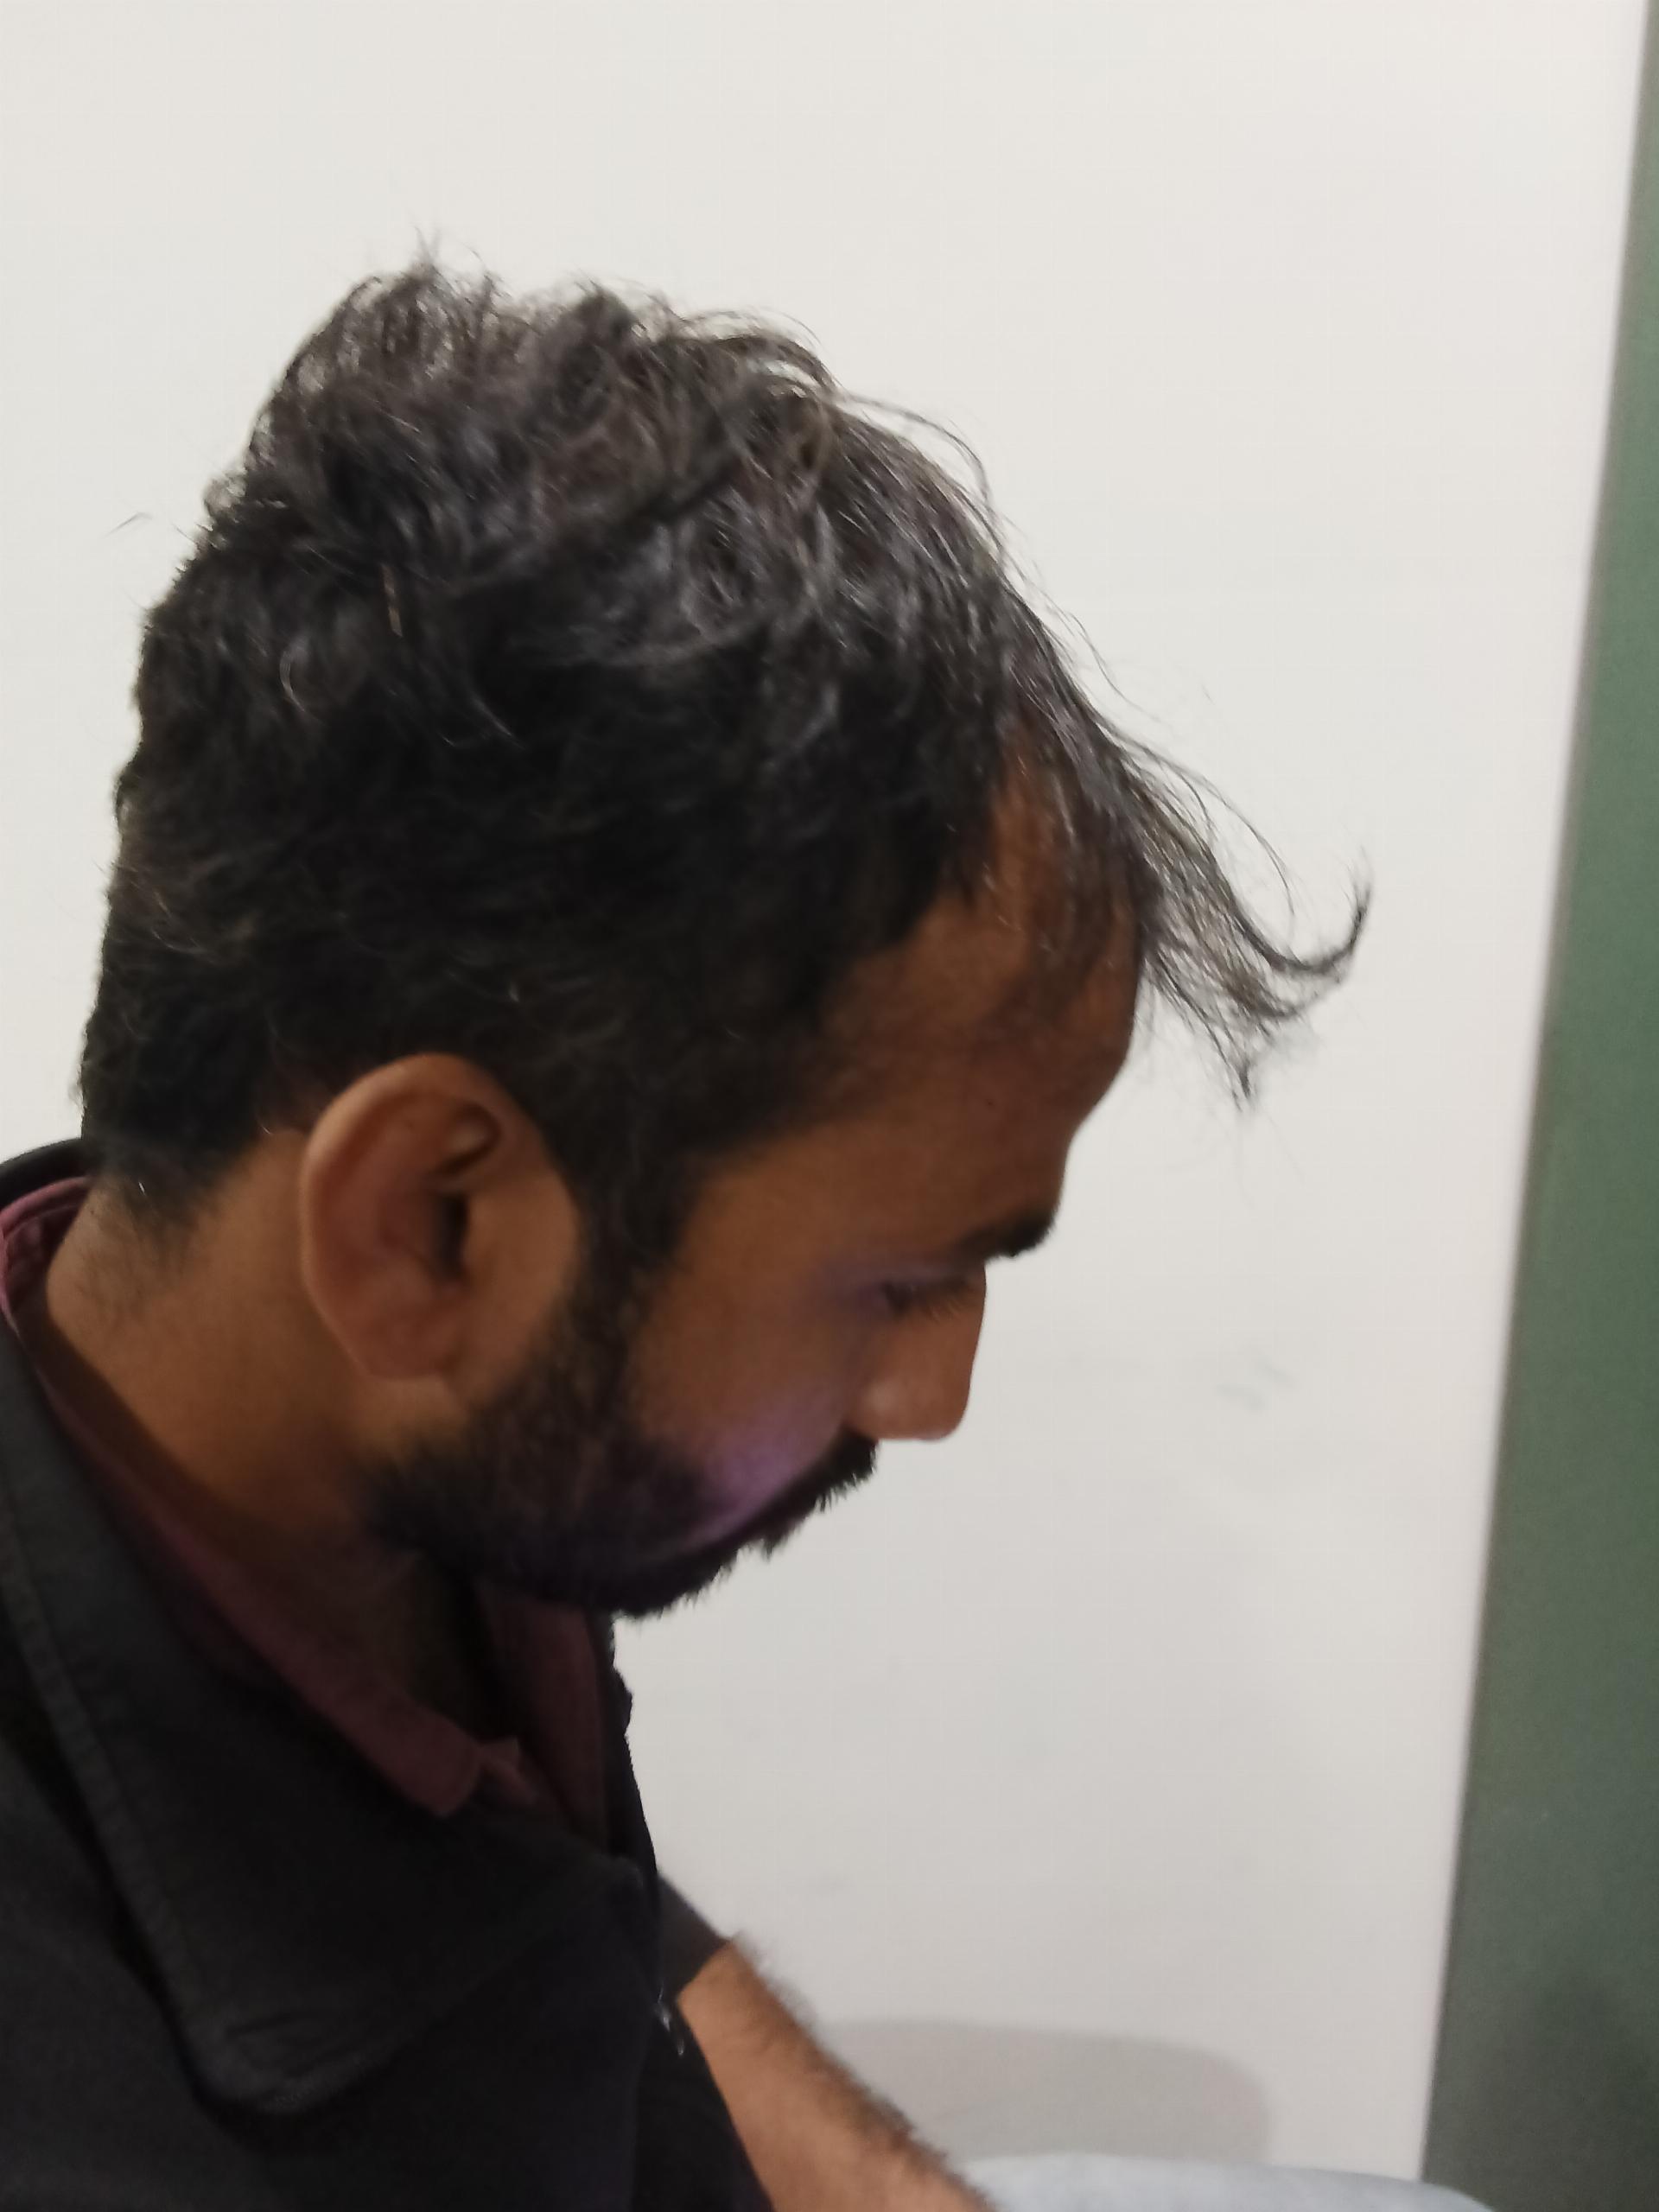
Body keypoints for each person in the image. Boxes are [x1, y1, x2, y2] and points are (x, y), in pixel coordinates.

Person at [0, 264, 1359, 2210]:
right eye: (901, 1282)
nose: (933, 1391)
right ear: (425, 1223)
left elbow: (563, 1909)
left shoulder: (348, 1418)